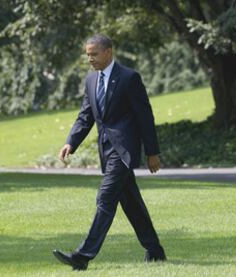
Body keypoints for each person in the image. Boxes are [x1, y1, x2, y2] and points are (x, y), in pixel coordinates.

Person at [52, 34, 166, 270]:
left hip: (124, 150)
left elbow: (145, 117)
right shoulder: (91, 81)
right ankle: (155, 251)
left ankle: (82, 256)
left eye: (94, 54)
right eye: (87, 55)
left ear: (108, 52)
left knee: (105, 197)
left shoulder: (129, 78)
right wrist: (70, 142)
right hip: (106, 150)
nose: (90, 59)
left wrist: (152, 152)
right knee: (131, 202)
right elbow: (86, 116)